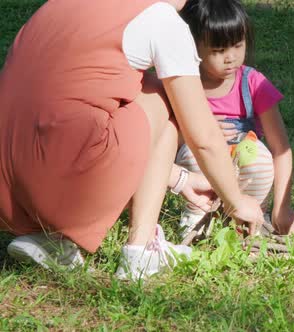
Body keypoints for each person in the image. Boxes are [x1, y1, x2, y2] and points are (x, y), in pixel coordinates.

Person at [0, 0, 264, 280]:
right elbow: (203, 137)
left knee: (131, 88)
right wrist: (235, 200)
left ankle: (51, 239)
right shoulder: (162, 20)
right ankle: (140, 251)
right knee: (165, 95)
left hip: (8, 195)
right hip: (68, 185)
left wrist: (181, 180)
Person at [174, 0, 294, 239]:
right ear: (194, 46)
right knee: (193, 155)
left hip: (243, 158)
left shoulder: (252, 83)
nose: (230, 57)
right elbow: (167, 140)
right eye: (218, 50)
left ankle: (250, 219)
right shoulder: (185, 83)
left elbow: (280, 149)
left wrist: (282, 206)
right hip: (199, 161)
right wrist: (197, 133)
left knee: (260, 158)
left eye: (237, 46)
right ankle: (198, 217)